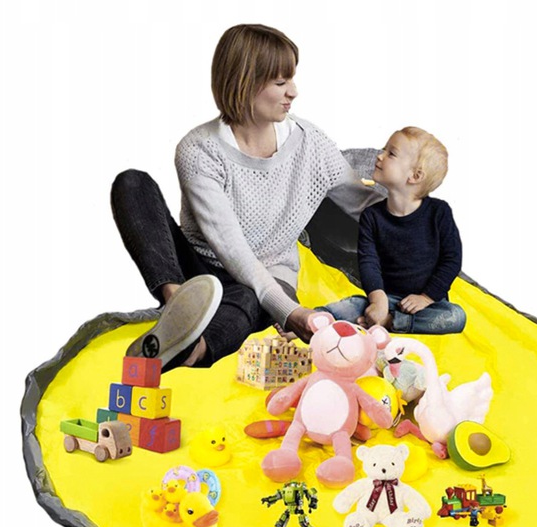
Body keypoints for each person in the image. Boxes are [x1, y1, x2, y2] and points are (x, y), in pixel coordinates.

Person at [110, 24, 381, 370]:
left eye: (291, 79)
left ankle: (193, 349)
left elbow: (363, 204)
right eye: (280, 82)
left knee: (253, 299)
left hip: (268, 275)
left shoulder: (310, 143)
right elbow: (232, 248)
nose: (293, 91)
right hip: (199, 267)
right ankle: (177, 305)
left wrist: (419, 207)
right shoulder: (199, 149)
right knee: (132, 183)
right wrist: (291, 313)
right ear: (245, 83)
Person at [321, 127, 466, 334]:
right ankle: (312, 319)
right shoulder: (372, 216)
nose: (379, 156)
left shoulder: (439, 212)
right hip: (386, 298)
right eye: (384, 149)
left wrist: (426, 298)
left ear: (415, 175)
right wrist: (377, 299)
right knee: (350, 305)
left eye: (391, 153)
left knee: (456, 316)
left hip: (426, 305)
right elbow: (368, 261)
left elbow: (452, 259)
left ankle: (390, 322)